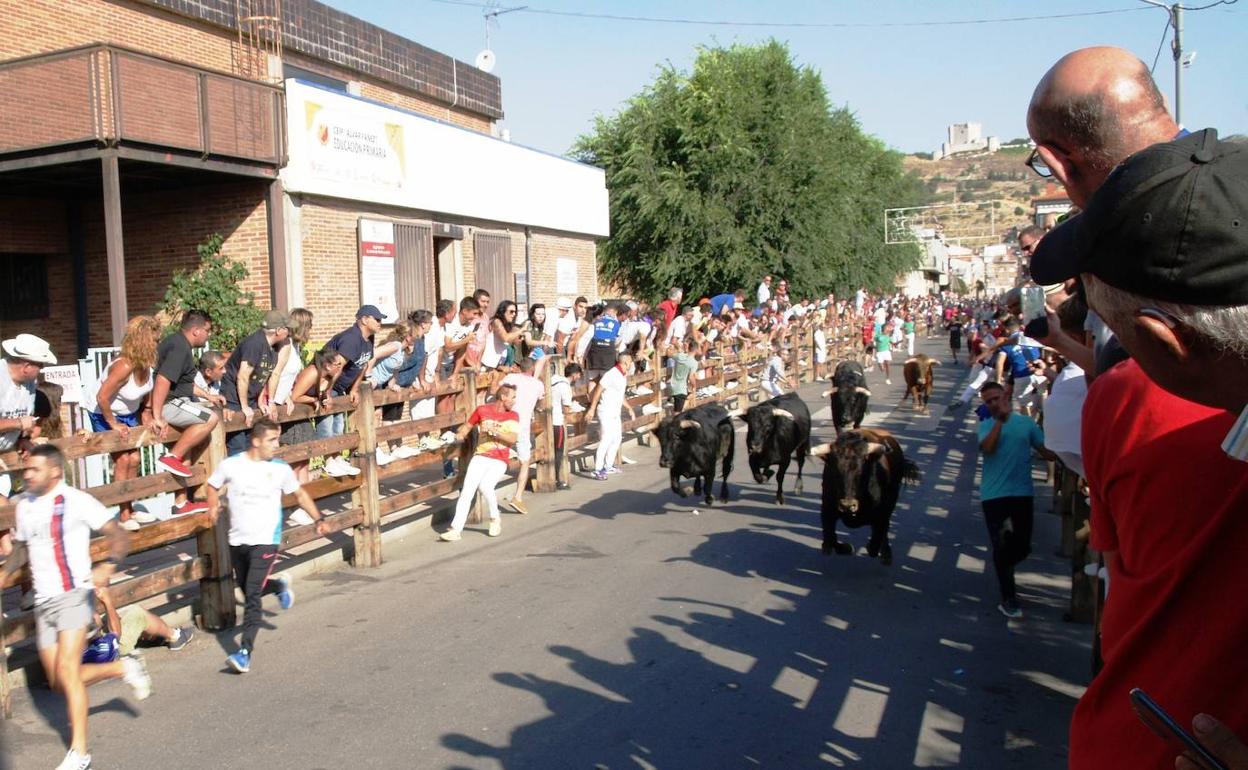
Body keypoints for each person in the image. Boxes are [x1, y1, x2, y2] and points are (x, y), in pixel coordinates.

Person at [2, 445, 145, 770]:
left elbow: (118, 534)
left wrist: (108, 565)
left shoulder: (75, 501)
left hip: (75, 594)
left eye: (34, 470)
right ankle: (121, 667)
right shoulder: (23, 504)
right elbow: (23, 547)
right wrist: (5, 573)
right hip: (44, 600)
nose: (27, 475)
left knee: (68, 672)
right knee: (58, 681)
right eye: (26, 470)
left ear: (54, 472)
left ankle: (79, 754)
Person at [206, 418, 328, 674]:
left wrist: (318, 518)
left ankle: (244, 653)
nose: (276, 445)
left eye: (277, 439)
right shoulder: (232, 465)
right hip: (237, 540)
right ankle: (279, 584)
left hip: (266, 539)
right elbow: (212, 485)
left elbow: (300, 494)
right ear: (256, 441)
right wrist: (213, 505)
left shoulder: (281, 469)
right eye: (272, 440)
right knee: (247, 588)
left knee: (251, 595)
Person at [976, 382, 1055, 618]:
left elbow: (1045, 451)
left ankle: (1004, 564)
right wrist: (999, 421)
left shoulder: (1026, 424)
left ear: (1005, 396)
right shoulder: (985, 425)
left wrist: (1067, 452)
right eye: (987, 401)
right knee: (1001, 546)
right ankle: (1008, 597)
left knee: (1022, 545)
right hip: (994, 495)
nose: (992, 404)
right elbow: (988, 449)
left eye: (995, 398)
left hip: (1022, 493)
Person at [81, 316, 161, 531]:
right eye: (154, 340)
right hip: (103, 413)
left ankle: (131, 507)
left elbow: (148, 391)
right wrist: (113, 423)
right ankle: (123, 516)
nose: (157, 345)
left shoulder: (146, 365)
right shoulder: (123, 366)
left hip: (128, 413)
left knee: (135, 458)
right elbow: (102, 397)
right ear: (143, 341)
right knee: (123, 459)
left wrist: (147, 412)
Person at [151, 311, 219, 516]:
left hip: (178, 400)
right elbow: (163, 380)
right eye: (207, 331)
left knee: (189, 439)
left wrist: (208, 396)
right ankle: (172, 456)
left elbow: (184, 384)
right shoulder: (180, 347)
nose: (208, 335)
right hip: (170, 404)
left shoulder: (181, 345)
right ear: (196, 330)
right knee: (211, 418)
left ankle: (181, 503)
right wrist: (156, 415)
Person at [439, 383, 519, 541]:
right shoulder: (482, 410)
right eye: (513, 397)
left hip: (500, 458)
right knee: (467, 491)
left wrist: (495, 432)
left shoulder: (513, 416)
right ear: (503, 397)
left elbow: (513, 438)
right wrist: (460, 434)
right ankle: (456, 529)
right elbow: (467, 426)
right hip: (481, 455)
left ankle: (495, 518)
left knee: (485, 486)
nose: (515, 401)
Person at [220, 309, 290, 456]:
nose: (289, 333)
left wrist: (263, 400)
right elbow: (243, 376)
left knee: (251, 443)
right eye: (287, 329)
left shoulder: (273, 347)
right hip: (234, 399)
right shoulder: (255, 344)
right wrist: (244, 406)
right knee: (238, 446)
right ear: (278, 330)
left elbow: (263, 376)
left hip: (250, 398)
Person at [498, 356, 545, 514]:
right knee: (524, 461)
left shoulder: (511, 377)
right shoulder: (538, 384)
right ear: (532, 369)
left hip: (505, 422)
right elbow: (541, 403)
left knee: (496, 454)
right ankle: (517, 497)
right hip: (523, 424)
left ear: (520, 367)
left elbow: (497, 391)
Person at [585, 353, 635, 481]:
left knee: (617, 438)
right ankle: (597, 469)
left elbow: (620, 395)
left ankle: (608, 466)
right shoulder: (611, 374)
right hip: (605, 411)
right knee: (606, 439)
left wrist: (629, 408)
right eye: (630, 361)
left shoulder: (623, 376)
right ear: (625, 363)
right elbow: (598, 390)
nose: (631, 364)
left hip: (615, 412)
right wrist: (592, 409)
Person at [549, 362, 582, 491]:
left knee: (550, 449)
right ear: (574, 375)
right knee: (558, 450)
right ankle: (556, 479)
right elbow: (567, 408)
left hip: (547, 420)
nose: (578, 377)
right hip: (557, 421)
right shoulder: (565, 386)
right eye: (578, 375)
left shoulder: (553, 380)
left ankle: (553, 477)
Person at [482, 300, 525, 371]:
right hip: (488, 365)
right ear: (503, 311)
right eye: (511, 312)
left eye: (515, 312)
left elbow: (513, 342)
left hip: (498, 365)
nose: (514, 314)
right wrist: (521, 330)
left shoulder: (507, 325)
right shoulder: (496, 322)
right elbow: (505, 338)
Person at [668, 338, 698, 413]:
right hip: (681, 388)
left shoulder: (680, 356)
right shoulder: (694, 362)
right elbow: (691, 377)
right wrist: (694, 386)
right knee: (677, 412)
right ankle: (675, 423)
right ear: (696, 350)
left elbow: (669, 354)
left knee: (684, 403)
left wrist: (670, 348)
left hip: (673, 385)